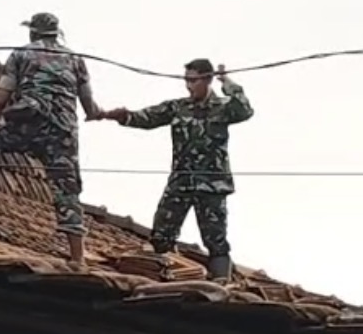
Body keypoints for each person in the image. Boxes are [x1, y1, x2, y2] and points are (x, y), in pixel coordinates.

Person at [0, 12, 104, 268]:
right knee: (66, 186)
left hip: (27, 121)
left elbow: (1, 98)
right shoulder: (76, 60)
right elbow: (89, 106)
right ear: (56, 33)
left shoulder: (21, 54)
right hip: (62, 131)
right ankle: (78, 256)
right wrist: (101, 114)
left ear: (33, 32)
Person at [106, 58, 253, 279]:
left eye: (193, 81)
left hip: (211, 185)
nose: (188, 86)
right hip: (180, 183)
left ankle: (221, 283)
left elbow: (245, 109)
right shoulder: (178, 107)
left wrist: (226, 81)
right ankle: (162, 275)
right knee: (161, 235)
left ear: (207, 79)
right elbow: (147, 118)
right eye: (186, 81)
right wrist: (122, 116)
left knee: (216, 241)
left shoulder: (223, 108)